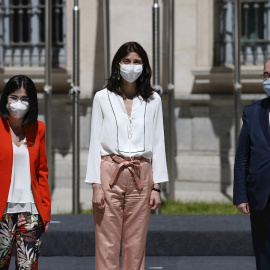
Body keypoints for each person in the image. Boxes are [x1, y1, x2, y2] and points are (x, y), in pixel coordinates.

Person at [85, 41, 168, 270]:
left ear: (145, 67)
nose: (132, 66)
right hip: (109, 170)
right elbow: (94, 141)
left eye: (137, 62)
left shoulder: (154, 100)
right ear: (118, 64)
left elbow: (159, 142)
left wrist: (157, 186)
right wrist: (95, 185)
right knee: (107, 242)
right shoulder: (102, 97)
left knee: (136, 243)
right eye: (127, 61)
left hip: (142, 174)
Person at [0, 75, 51, 270]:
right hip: (2, 212)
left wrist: (45, 211)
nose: (18, 103)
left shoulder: (38, 129)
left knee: (28, 267)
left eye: (24, 98)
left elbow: (42, 172)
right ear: (5, 99)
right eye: (14, 97)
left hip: (31, 214)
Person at [233, 59, 270, 270]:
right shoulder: (252, 112)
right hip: (261, 196)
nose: (268, 80)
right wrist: (240, 195)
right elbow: (242, 158)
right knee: (263, 253)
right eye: (266, 75)